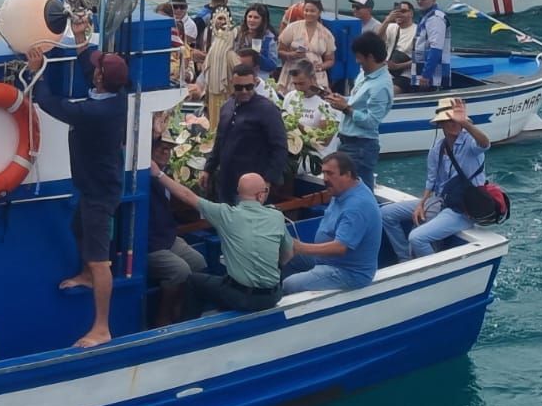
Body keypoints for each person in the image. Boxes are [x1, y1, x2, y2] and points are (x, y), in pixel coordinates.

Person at [28, 46, 129, 348]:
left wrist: (37, 71)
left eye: (98, 69)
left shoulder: (96, 112)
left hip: (100, 192)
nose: (94, 71)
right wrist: (83, 42)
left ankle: (101, 328)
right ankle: (86, 274)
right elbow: (91, 71)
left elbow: (50, 103)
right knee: (78, 229)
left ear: (101, 79)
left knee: (101, 261)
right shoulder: (114, 96)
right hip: (93, 184)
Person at [154, 169, 290, 314]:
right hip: (272, 297)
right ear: (261, 195)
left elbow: (187, 196)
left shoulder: (225, 214)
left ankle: (187, 325)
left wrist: (158, 174)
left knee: (193, 282)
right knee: (228, 281)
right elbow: (287, 255)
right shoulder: (276, 216)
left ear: (238, 193)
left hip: (242, 298)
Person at [380, 98, 492, 260]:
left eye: (455, 120)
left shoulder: (470, 143)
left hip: (463, 209)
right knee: (386, 214)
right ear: (441, 124)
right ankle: (404, 258)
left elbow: (485, 144)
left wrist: (467, 124)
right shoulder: (437, 149)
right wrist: (421, 204)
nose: (453, 123)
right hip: (441, 201)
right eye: (448, 120)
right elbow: (431, 182)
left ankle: (433, 270)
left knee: (416, 237)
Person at [279, 153, 381, 294]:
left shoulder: (357, 206)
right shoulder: (341, 190)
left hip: (348, 272)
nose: (325, 179)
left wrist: (301, 247)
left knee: (290, 284)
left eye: (330, 173)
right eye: (323, 173)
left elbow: (340, 247)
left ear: (347, 175)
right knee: (282, 256)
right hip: (326, 260)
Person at [203, 65, 289, 206]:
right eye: (239, 88)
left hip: (252, 188)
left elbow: (280, 147)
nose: (244, 91)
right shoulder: (227, 106)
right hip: (226, 182)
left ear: (255, 83)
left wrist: (267, 180)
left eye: (249, 87)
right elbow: (220, 141)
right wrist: (208, 169)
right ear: (232, 84)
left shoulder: (267, 109)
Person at [145, 136, 207, 326]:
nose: (165, 152)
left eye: (168, 149)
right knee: (179, 270)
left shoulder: (164, 175)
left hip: (167, 237)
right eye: (160, 148)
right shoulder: (143, 178)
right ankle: (163, 317)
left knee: (199, 262)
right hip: (149, 244)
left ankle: (186, 311)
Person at [324, 32, 392, 186]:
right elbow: (356, 101)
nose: (357, 61)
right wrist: (340, 100)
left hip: (361, 147)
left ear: (371, 57)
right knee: (341, 187)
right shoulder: (364, 74)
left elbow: (372, 122)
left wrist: (346, 109)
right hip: (346, 141)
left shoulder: (381, 86)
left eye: (359, 57)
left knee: (359, 189)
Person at [281, 63, 343, 172]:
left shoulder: (328, 101)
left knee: (283, 168)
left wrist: (295, 125)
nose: (298, 88)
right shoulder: (290, 96)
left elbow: (323, 140)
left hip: (317, 156)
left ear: (313, 79)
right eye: (295, 84)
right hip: (293, 151)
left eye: (302, 83)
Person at [276, 0, 335, 89]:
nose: (308, 13)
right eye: (306, 10)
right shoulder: (293, 28)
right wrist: (291, 55)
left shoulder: (326, 34)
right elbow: (279, 51)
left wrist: (321, 66)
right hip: (293, 73)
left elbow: (330, 60)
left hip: (316, 76)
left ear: (319, 13)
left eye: (312, 11)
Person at [410, 0, 452, 92]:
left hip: (433, 77)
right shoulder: (427, 16)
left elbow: (436, 48)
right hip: (425, 72)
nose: (419, 1)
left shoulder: (435, 18)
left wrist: (426, 75)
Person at [234, 3, 280, 77]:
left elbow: (272, 65)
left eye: (256, 17)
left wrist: (258, 56)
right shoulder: (238, 33)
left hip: (260, 77)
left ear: (262, 20)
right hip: (238, 76)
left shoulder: (268, 38)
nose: (252, 20)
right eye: (250, 17)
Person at [379, 1, 417, 91]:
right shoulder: (391, 27)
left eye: (403, 11)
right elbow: (376, 40)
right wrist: (387, 21)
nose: (399, 14)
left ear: (411, 13)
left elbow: (421, 59)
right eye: (396, 11)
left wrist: (398, 66)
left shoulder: (417, 31)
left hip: (406, 73)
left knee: (390, 91)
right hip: (388, 70)